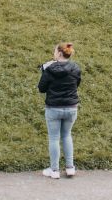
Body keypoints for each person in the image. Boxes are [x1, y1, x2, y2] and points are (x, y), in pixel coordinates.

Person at [39, 42, 82, 179]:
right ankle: (70, 168)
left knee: (54, 138)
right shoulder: (75, 68)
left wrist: (44, 70)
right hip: (71, 108)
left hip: (53, 108)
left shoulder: (49, 69)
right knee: (66, 136)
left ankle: (54, 170)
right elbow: (77, 84)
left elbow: (41, 88)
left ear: (58, 53)